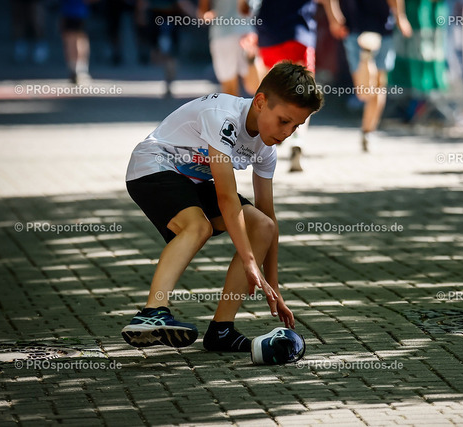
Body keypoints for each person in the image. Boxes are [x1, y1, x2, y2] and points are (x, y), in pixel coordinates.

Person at [122, 62, 324, 352]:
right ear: (260, 102)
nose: (288, 132)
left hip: (191, 179)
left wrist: (274, 285)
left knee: (262, 226)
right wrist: (249, 261)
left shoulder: (266, 150)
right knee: (198, 226)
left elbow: (268, 216)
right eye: (283, 121)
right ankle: (152, 312)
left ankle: (221, 331)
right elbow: (226, 198)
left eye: (296, 126)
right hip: (153, 165)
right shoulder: (223, 117)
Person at [323, 0, 411, 151]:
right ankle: (368, 132)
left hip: (377, 28)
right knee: (369, 90)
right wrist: (333, 16)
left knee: (375, 87)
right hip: (358, 27)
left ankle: (368, 132)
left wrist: (400, 16)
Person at [241, 0, 318, 172]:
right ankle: (297, 139)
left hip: (269, 35)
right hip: (299, 33)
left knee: (270, 90)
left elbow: (245, 6)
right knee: (305, 93)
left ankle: (275, 132)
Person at [197, 0, 261, 96]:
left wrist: (212, 15)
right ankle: (250, 60)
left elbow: (203, 14)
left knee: (229, 91)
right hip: (245, 32)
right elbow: (251, 9)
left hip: (222, 35)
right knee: (255, 87)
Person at [60, 0, 93, 83]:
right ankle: (76, 68)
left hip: (78, 13)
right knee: (74, 40)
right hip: (71, 12)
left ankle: (79, 68)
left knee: (78, 40)